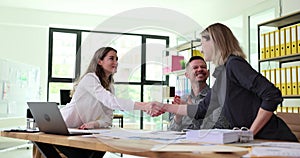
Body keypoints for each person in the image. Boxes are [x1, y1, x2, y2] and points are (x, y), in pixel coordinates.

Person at [160, 23, 298, 142]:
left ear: (214, 42)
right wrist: (163, 107)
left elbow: (272, 94)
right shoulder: (222, 72)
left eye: (202, 44)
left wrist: (250, 133)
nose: (201, 50)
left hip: (274, 139)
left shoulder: (234, 64)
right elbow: (202, 109)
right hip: (258, 142)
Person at [56, 47, 163, 158]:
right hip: (64, 127)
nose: (116, 62)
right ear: (99, 61)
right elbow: (111, 101)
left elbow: (108, 119)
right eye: (111, 58)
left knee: (101, 147)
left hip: (81, 132)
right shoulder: (90, 79)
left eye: (116, 59)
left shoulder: (110, 87)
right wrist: (143, 105)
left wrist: (94, 124)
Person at [168, 56, 210, 131]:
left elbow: (216, 128)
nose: (200, 69)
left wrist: (189, 110)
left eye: (203, 67)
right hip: (182, 142)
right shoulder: (181, 100)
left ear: (208, 73)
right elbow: (170, 132)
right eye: (195, 68)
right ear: (187, 75)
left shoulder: (217, 97)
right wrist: (178, 118)